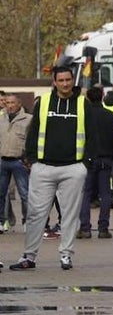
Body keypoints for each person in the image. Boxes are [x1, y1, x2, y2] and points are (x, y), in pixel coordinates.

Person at [9, 66, 98, 271]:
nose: (65, 84)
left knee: (69, 215)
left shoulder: (83, 104)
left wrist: (86, 164)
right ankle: (29, 256)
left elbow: (93, 136)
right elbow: (34, 131)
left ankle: (66, 255)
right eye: (61, 80)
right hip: (44, 168)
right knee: (35, 214)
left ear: (72, 80)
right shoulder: (44, 102)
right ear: (54, 81)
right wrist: (32, 159)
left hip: (73, 169)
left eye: (68, 80)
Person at [78, 87, 113, 239]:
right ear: (102, 96)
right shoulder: (110, 115)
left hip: (88, 159)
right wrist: (112, 155)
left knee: (85, 194)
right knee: (105, 194)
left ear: (88, 98)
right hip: (106, 159)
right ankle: (103, 228)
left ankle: (85, 228)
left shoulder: (84, 115)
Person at [0, 92, 33, 232]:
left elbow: (32, 140)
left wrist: (28, 159)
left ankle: (27, 221)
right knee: (1, 194)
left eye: (13, 103)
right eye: (7, 103)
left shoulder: (28, 119)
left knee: (25, 194)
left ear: (19, 104)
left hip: (20, 162)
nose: (10, 106)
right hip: (3, 161)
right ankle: (2, 221)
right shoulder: (1, 119)